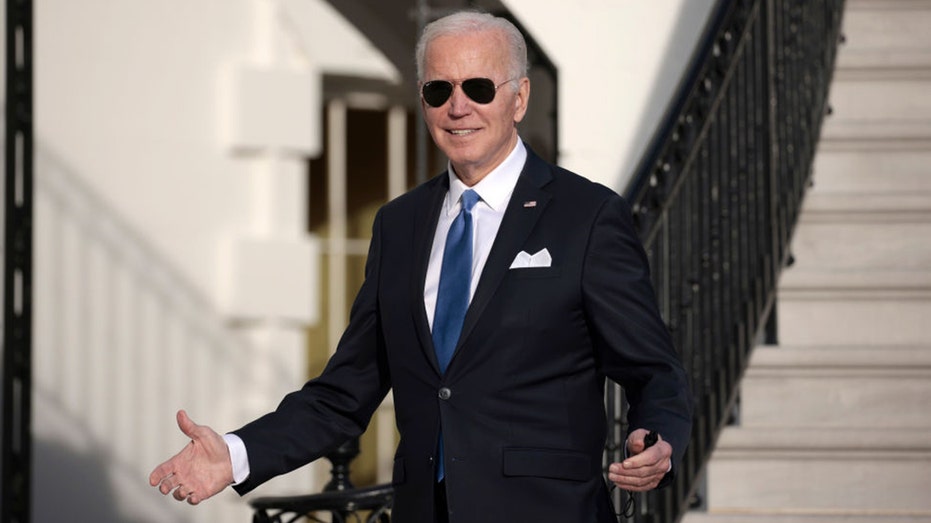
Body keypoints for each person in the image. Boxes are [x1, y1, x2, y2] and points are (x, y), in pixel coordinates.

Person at [149, 10, 692, 523]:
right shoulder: (399, 224)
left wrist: (657, 439)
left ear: (519, 98)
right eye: (439, 90)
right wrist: (238, 454)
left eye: (478, 88)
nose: (458, 107)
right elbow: (345, 391)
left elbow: (653, 370)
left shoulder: (588, 216)